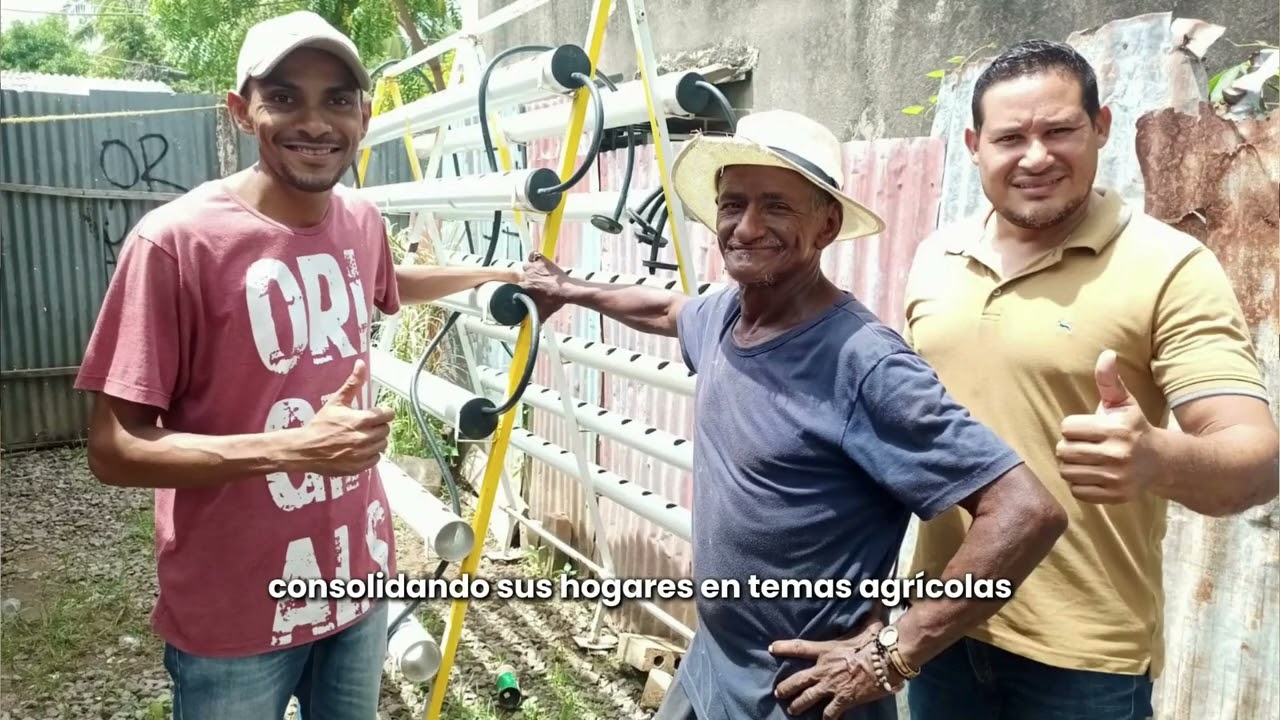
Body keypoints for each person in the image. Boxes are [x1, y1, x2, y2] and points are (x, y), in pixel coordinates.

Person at [519, 109, 1069, 720]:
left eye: (776, 206)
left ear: (826, 224)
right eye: (733, 204)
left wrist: (894, 651)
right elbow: (666, 311)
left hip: (801, 697)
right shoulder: (727, 316)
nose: (746, 226)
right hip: (711, 667)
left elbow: (1025, 511)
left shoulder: (863, 364)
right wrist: (569, 290)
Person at [74, 11, 517, 719]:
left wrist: (501, 273)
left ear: (365, 116)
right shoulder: (174, 244)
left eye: (337, 99)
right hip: (236, 608)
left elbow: (387, 281)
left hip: (357, 579)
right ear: (241, 110)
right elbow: (113, 448)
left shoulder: (359, 219)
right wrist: (291, 449)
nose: (315, 121)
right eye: (284, 96)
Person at [901, 39, 1278, 720]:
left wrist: (1158, 459)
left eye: (1060, 131)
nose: (1036, 156)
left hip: (1083, 660)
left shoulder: (1169, 266)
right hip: (942, 629)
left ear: (1101, 128)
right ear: (973, 145)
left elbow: (1257, 462)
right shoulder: (936, 257)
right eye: (1011, 137)